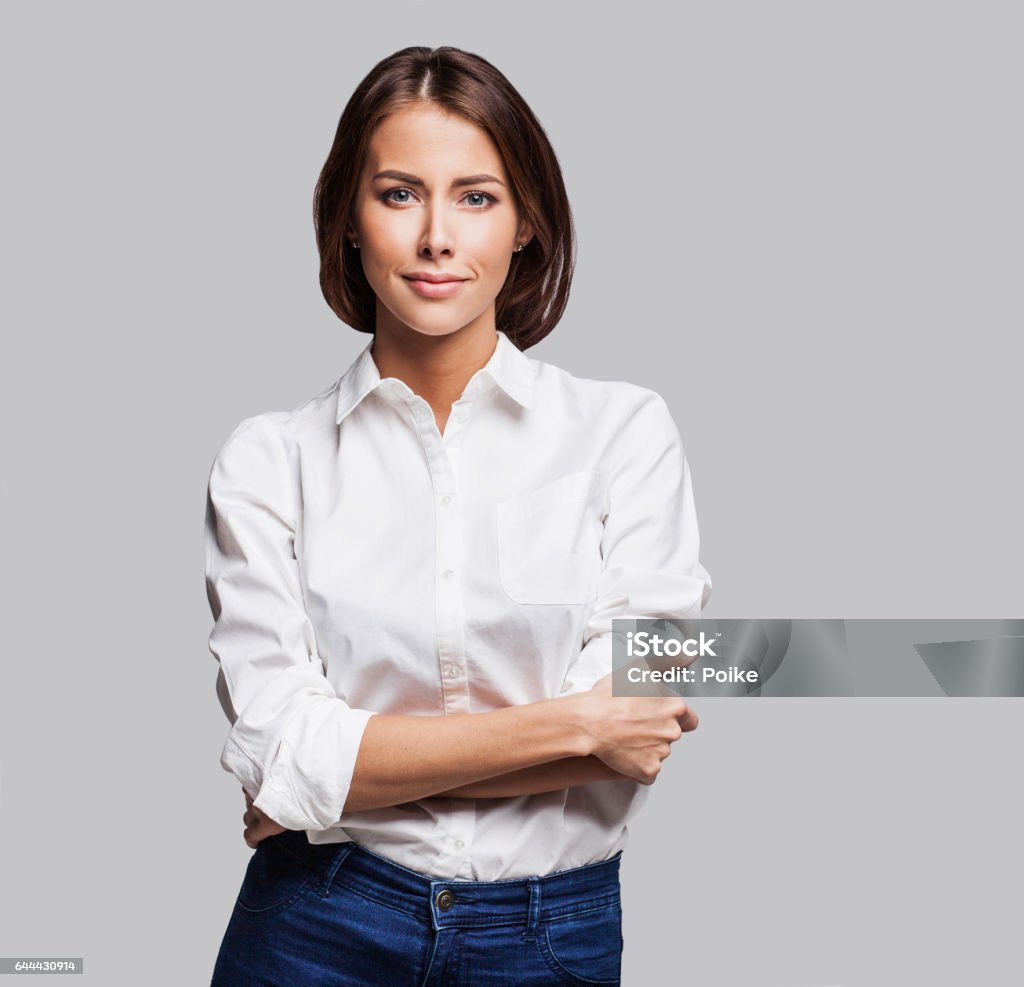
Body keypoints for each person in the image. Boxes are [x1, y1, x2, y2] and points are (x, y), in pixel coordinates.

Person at [204, 45, 711, 986]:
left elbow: (640, 726)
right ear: (348, 223)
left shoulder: (625, 432)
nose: (438, 235)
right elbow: (281, 744)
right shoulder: (268, 461)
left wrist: (328, 785)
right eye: (399, 194)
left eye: (476, 196)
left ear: (525, 224)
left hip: (550, 934)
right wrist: (576, 727)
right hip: (316, 925)